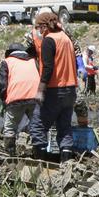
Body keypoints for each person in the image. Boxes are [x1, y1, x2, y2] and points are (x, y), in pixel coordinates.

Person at [29, 11, 78, 162]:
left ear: (44, 26)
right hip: (70, 89)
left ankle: (41, 163)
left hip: (55, 89)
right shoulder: (66, 38)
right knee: (64, 127)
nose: (38, 31)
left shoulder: (49, 40)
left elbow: (48, 68)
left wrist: (40, 90)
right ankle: (66, 163)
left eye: (38, 27)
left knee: (38, 125)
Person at [0, 42, 40, 156]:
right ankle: (39, 155)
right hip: (35, 98)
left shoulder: (7, 62)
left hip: (15, 98)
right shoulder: (33, 61)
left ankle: (10, 155)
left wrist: (4, 101)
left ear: (10, 53)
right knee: (37, 126)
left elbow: (2, 84)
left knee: (10, 128)